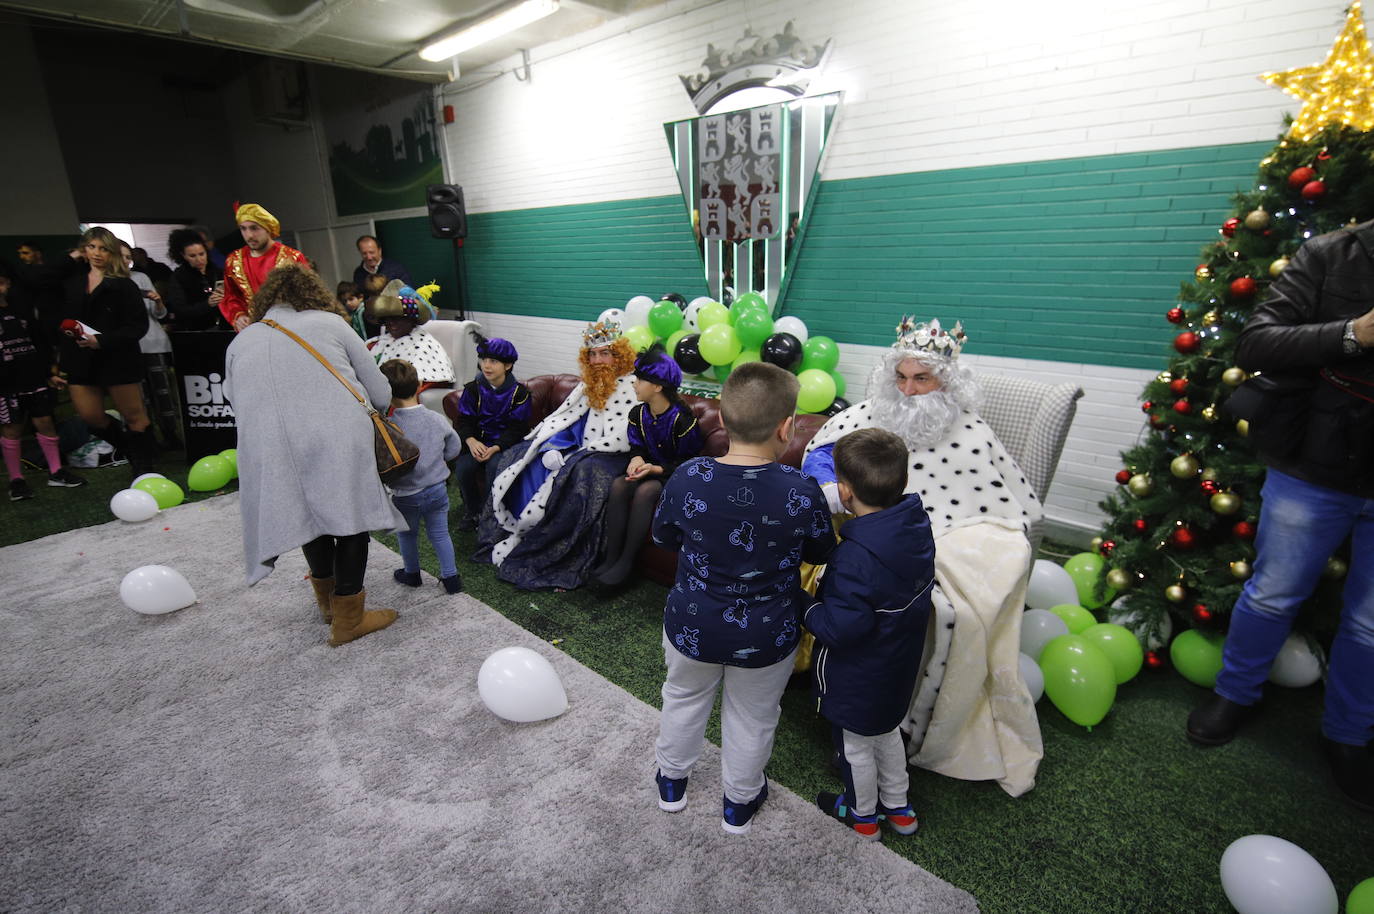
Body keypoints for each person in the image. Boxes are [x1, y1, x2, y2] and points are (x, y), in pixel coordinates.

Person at [802, 316, 1043, 797]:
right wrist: (832, 490)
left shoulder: (971, 428)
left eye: (922, 378)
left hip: (956, 535)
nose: (909, 390)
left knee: (981, 590)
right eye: (902, 377)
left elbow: (1004, 497)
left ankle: (918, 725)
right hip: (885, 537)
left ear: (946, 380)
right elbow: (819, 455)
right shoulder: (870, 413)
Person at [1186, 219, 1374, 812]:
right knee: (1272, 594)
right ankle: (1236, 693)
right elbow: (1258, 343)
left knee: (1372, 624)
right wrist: (1353, 334)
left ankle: (1349, 734)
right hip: (1314, 466)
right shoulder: (1331, 254)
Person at [651, 362, 835, 834]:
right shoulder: (802, 490)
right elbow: (819, 551)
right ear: (785, 428)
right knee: (753, 718)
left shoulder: (688, 477)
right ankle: (739, 802)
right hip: (768, 632)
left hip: (692, 621)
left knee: (683, 696)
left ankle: (672, 782)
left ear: (724, 419)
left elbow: (666, 536)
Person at [223, 264, 405, 647]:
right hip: (338, 435)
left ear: (266, 300)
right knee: (351, 520)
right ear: (313, 293)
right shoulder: (331, 324)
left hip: (271, 445)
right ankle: (349, 618)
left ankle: (328, 605)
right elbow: (380, 391)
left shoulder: (241, 341)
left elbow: (233, 399)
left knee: (310, 516)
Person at [802, 428, 934, 841]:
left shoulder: (855, 558)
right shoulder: (916, 526)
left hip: (858, 678)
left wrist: (801, 601)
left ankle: (861, 815)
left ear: (843, 490)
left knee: (856, 747)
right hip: (899, 667)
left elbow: (839, 629)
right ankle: (899, 808)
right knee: (887, 735)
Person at [478, 320, 638, 590]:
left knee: (575, 477)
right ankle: (520, 529)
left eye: (605, 353)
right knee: (521, 456)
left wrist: (578, 454)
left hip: (605, 456)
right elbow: (567, 421)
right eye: (593, 354)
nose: (598, 360)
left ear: (618, 355)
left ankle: (546, 544)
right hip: (575, 449)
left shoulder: (631, 387)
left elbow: (624, 436)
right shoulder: (587, 385)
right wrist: (553, 446)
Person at [590, 344, 703, 587]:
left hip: (674, 476)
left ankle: (626, 564)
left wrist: (657, 470)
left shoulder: (683, 421)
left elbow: (689, 463)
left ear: (658, 386)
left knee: (646, 490)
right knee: (619, 485)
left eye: (639, 379)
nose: (634, 383)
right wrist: (637, 459)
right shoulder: (638, 414)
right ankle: (611, 558)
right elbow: (637, 446)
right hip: (648, 470)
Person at [58, 227, 157, 477]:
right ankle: (132, 449)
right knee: (90, 416)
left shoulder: (124, 285)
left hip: (118, 358)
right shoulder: (72, 283)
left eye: (103, 248)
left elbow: (137, 327)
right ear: (83, 249)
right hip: (80, 360)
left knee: (135, 416)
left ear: (112, 252)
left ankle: (143, 468)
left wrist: (101, 341)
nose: (97, 253)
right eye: (91, 247)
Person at [379, 358, 464, 595]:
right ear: (418, 386)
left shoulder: (390, 427)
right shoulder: (436, 419)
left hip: (406, 493)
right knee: (440, 533)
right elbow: (454, 448)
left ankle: (412, 573)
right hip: (437, 489)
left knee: (407, 535)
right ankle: (451, 578)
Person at [0, 271, 86, 499]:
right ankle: (16, 480)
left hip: (34, 378)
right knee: (12, 428)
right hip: (6, 385)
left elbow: (39, 344)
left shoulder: (22, 313)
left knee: (46, 422)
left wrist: (49, 373)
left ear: (6, 284)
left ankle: (56, 471)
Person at [453, 334, 532, 529]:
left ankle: (491, 514)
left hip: (505, 444)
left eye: (493, 361)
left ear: (507, 365)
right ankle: (472, 512)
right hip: (478, 442)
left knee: (494, 467)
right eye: (484, 360)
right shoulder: (473, 390)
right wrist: (470, 441)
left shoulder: (519, 393)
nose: (487, 366)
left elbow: (518, 428)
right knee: (463, 468)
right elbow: (464, 420)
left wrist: (497, 447)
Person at [121, 242, 178, 448]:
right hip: (127, 349)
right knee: (139, 398)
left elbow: (160, 314)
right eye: (121, 256)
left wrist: (158, 302)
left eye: (129, 257)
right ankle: (147, 438)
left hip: (154, 344)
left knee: (163, 393)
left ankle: (170, 434)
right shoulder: (107, 282)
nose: (126, 261)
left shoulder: (141, 278)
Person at [217, 203, 308, 331]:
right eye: (243, 229)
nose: (249, 235)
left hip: (289, 329)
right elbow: (231, 296)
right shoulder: (233, 260)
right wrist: (238, 315)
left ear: (268, 228)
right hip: (252, 330)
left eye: (254, 228)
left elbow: (307, 296)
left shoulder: (291, 258)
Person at [364, 281, 453, 389]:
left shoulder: (423, 346)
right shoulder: (375, 344)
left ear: (412, 321)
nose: (392, 322)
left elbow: (417, 387)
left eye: (398, 318)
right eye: (387, 318)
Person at [165, 227, 226, 331]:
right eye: (192, 256)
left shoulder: (217, 271)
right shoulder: (179, 277)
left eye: (202, 254)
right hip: (196, 330)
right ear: (183, 256)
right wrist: (207, 304)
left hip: (222, 326)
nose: (199, 259)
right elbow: (180, 310)